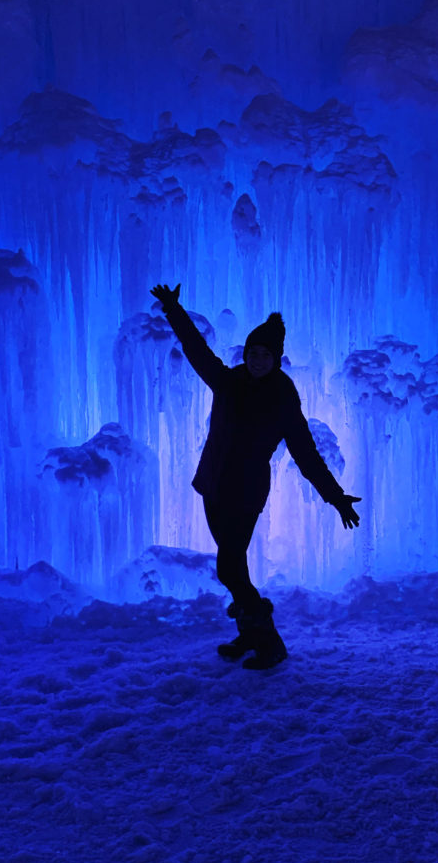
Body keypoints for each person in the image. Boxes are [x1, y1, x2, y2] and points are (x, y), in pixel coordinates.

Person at [149, 283, 361, 670]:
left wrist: (336, 496)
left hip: (244, 495)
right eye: (252, 352)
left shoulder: (283, 399)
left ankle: (270, 643)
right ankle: (250, 633)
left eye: (265, 354)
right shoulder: (228, 382)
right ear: (245, 353)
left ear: (277, 359)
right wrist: (173, 310)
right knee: (236, 567)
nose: (258, 359)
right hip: (213, 486)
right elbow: (197, 351)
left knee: (228, 567)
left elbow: (307, 454)